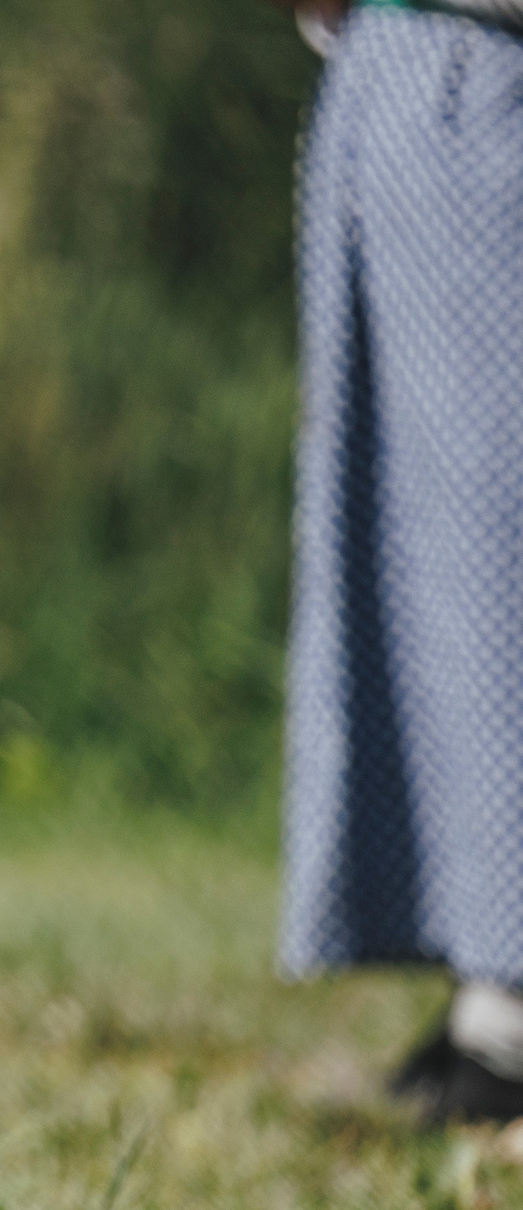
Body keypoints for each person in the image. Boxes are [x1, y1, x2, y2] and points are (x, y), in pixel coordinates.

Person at [280, 0, 523, 1124]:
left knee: (494, 550)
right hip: (407, 66)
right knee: (430, 555)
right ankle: (492, 977)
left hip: (486, 65)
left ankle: (508, 1001)